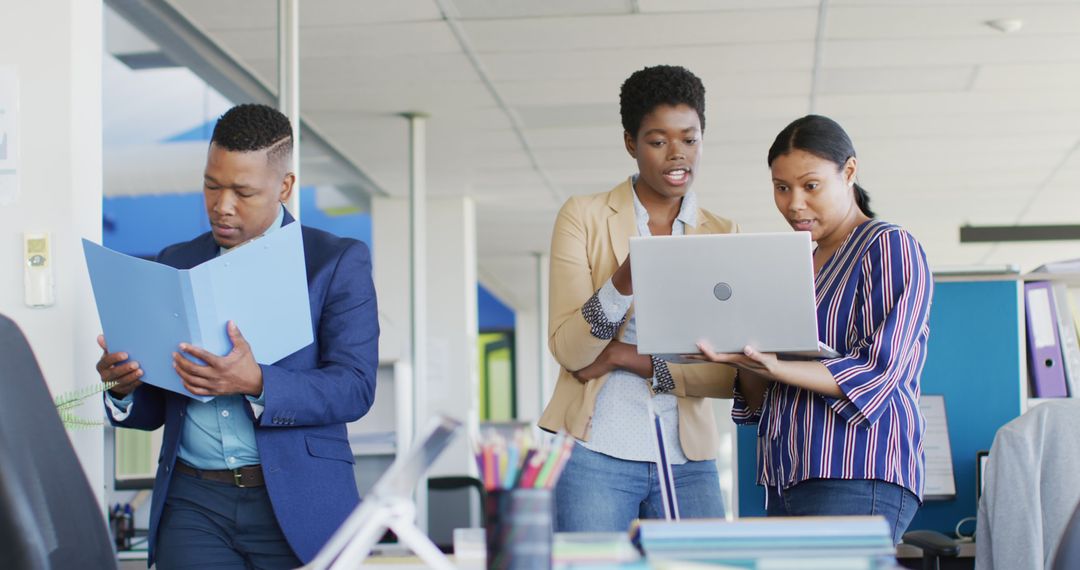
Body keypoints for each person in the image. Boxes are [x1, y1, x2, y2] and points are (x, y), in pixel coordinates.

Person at [96, 104, 379, 568]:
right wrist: (124, 386)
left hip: (297, 499)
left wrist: (256, 381)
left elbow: (354, 387)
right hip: (193, 502)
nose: (221, 205)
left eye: (242, 192)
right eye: (211, 185)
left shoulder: (335, 262)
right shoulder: (173, 261)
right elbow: (152, 410)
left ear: (284, 187)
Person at [695, 114, 932, 544]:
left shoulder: (889, 246)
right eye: (781, 188)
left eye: (811, 185)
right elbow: (759, 401)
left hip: (857, 470)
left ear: (850, 172)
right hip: (786, 477)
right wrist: (743, 355)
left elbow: (878, 373)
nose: (794, 204)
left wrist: (773, 364)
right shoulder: (794, 266)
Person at [539, 65, 738, 532]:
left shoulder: (723, 234)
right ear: (631, 142)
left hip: (687, 457)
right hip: (595, 452)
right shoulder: (582, 217)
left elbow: (727, 373)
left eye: (689, 139)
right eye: (658, 140)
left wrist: (623, 356)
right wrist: (625, 278)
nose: (677, 155)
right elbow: (570, 351)